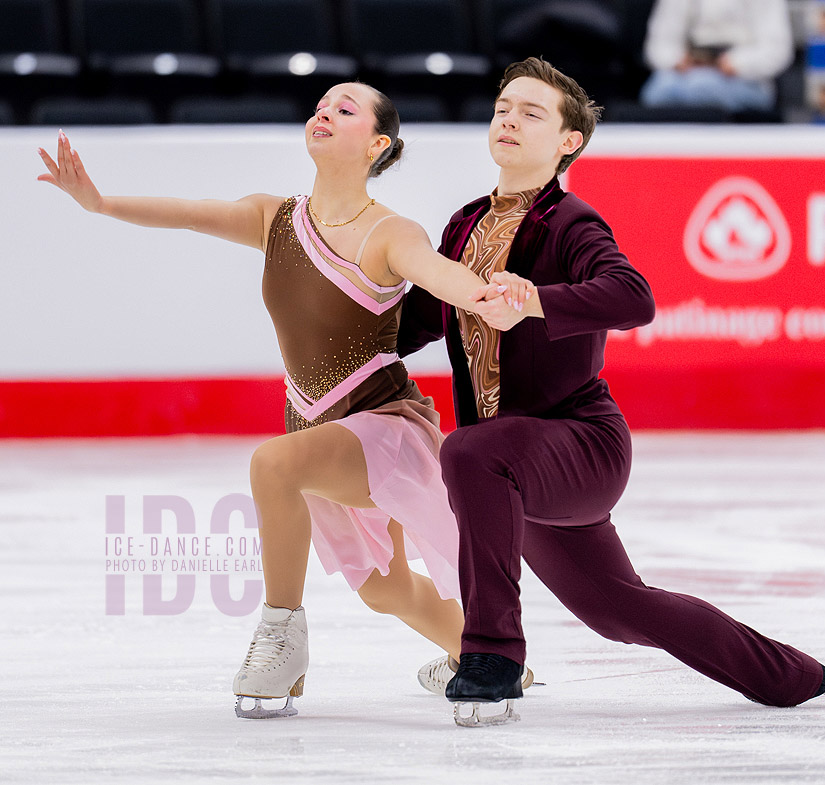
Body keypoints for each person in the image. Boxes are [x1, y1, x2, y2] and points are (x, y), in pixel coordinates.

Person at [36, 82, 530, 720]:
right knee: (386, 590)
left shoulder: (390, 232)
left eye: (345, 110)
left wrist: (491, 297)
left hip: (382, 427)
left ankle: (280, 638)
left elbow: (441, 277)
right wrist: (99, 203)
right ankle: (491, 657)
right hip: (315, 426)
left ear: (378, 144)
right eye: (322, 106)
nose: (324, 113)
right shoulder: (275, 219)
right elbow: (189, 212)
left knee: (274, 465)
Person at [398, 57, 825, 727]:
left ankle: (492, 656)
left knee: (468, 452)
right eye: (503, 108)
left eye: (532, 113)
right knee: (621, 610)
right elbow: (413, 322)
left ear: (567, 142)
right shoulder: (464, 227)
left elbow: (634, 297)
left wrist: (535, 302)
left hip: (581, 444)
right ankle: (799, 675)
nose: (509, 120)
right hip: (515, 462)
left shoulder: (571, 223)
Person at [639, 0, 794, 113]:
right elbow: (658, 45)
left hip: (744, 79)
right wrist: (677, 60)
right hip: (687, 75)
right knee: (658, 91)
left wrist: (736, 63)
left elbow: (777, 50)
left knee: (702, 88)